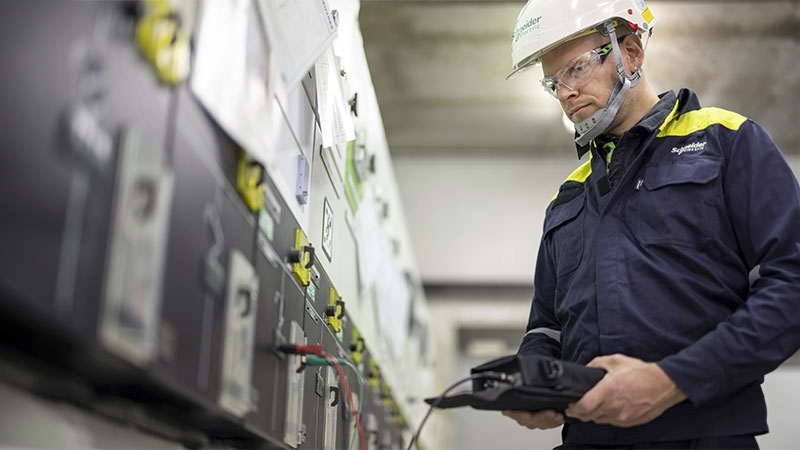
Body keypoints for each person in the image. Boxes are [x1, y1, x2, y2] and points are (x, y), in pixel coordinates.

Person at [500, 0, 800, 448]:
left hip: (706, 436)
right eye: (553, 81)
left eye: (577, 68)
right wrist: (535, 379)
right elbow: (546, 327)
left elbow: (791, 286)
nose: (565, 91)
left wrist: (671, 380)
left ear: (632, 53)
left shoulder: (726, 143)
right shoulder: (568, 197)